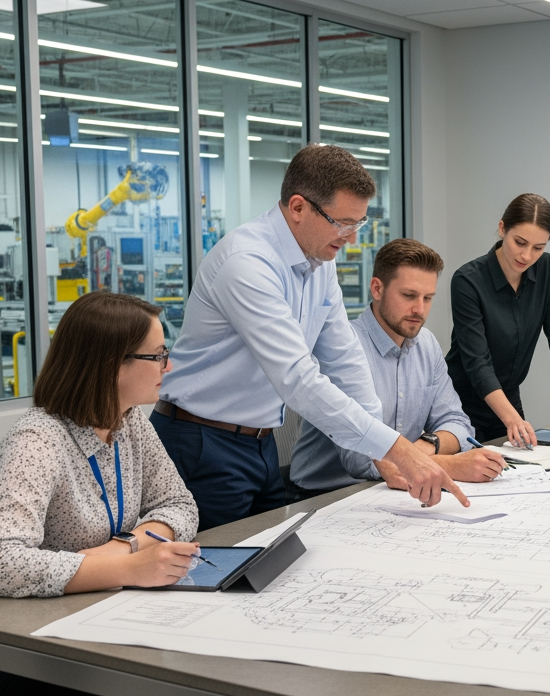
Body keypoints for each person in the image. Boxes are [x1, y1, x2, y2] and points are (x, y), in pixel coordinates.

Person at [0, 291, 300, 696]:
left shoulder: (130, 421)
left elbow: (178, 502)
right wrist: (122, 566)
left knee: (199, 674)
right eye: (156, 355)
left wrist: (131, 545)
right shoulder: (37, 441)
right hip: (0, 650)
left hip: (83, 624)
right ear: (109, 363)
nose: (169, 365)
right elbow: (0, 561)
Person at [151, 143, 465, 528]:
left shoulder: (319, 263)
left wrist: (381, 446)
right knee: (214, 573)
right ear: (298, 207)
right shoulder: (247, 262)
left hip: (260, 443)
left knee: (268, 567)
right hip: (201, 441)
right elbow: (297, 378)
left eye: (358, 224)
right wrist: (396, 447)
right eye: (342, 222)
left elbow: (344, 360)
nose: (350, 237)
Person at [291, 238, 509, 495]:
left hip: (392, 491)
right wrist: (451, 465)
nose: (420, 309)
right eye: (408, 295)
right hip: (326, 495)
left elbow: (458, 424)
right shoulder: (342, 348)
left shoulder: (426, 344)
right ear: (377, 289)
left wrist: (423, 449)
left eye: (428, 298)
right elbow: (361, 459)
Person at [445, 193, 550, 447]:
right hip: (461, 404)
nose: (527, 256)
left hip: (508, 400)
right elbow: (477, 364)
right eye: (520, 242)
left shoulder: (547, 269)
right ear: (502, 228)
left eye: (538, 247)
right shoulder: (468, 281)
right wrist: (513, 420)